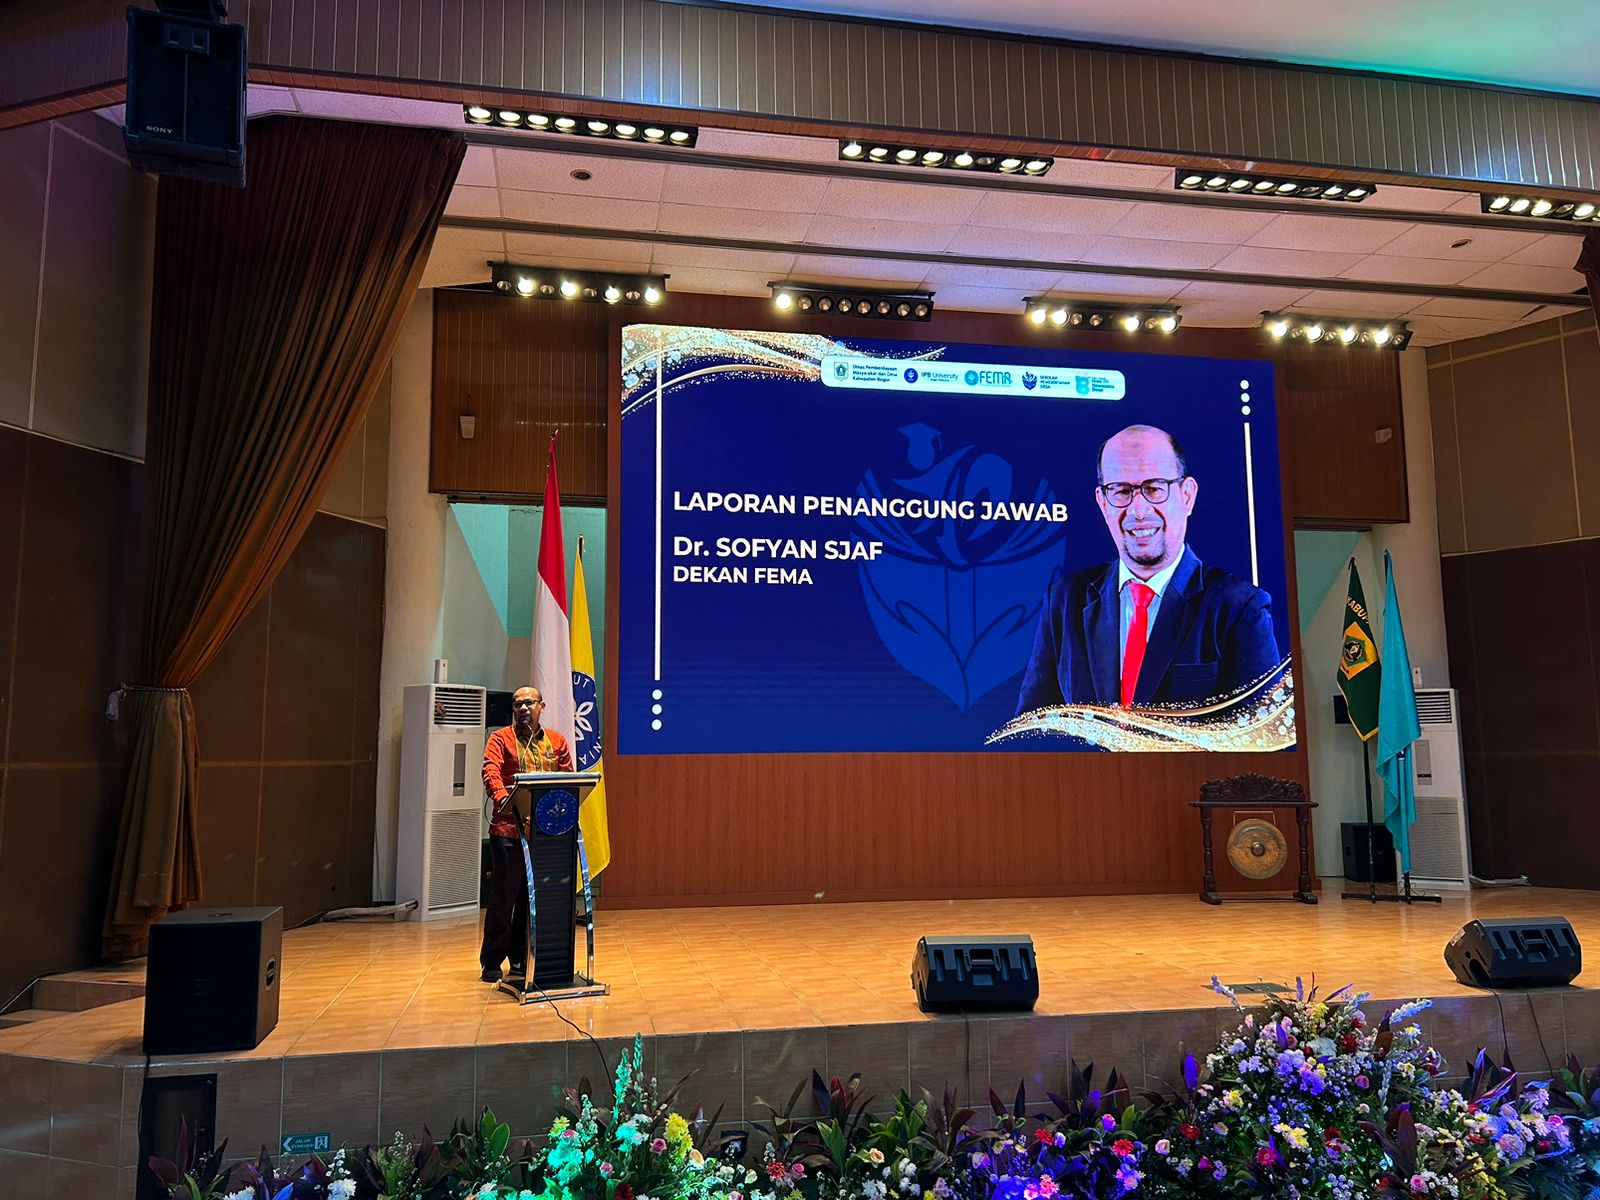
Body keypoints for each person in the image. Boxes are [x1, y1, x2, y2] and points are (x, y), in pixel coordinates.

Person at [1014, 424, 1281, 715]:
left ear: (1187, 496)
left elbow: (1262, 734)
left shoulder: (1239, 608)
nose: (1138, 511)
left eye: (1154, 489)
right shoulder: (1065, 601)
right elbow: (1030, 730)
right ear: (1103, 503)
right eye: (1121, 491)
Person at [479, 685, 572, 982]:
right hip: (508, 831)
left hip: (544, 834)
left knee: (529, 899)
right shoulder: (500, 739)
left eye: (529, 703)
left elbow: (569, 778)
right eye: (517, 704)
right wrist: (502, 797)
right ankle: (492, 960)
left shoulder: (557, 741)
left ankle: (520, 957)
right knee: (503, 900)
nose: (523, 709)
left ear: (541, 707)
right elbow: (490, 771)